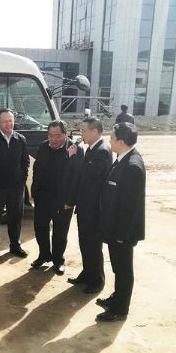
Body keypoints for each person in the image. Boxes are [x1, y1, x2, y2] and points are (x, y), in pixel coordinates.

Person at [97, 122, 146, 322]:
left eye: (112, 138)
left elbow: (130, 208)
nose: (109, 141)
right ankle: (117, 297)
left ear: (122, 141)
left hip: (122, 232)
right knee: (118, 267)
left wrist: (121, 235)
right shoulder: (122, 158)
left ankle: (120, 309)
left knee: (124, 270)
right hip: (115, 228)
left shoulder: (132, 166)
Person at [66, 117, 113, 293]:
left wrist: (73, 157)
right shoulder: (92, 149)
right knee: (85, 243)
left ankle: (97, 280)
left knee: (93, 245)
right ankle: (87, 274)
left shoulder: (102, 151)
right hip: (85, 206)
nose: (81, 134)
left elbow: (89, 174)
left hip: (94, 209)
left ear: (94, 131)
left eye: (84, 131)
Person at [30, 120, 83, 275]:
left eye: (57, 136)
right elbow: (37, 170)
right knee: (40, 228)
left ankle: (58, 260)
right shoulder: (43, 146)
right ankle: (44, 255)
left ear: (65, 134)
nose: (53, 139)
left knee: (60, 231)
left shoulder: (75, 149)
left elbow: (77, 177)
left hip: (63, 200)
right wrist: (34, 192)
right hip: (43, 197)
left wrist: (71, 201)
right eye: (50, 135)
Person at [0, 108, 30, 260]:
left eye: (11, 120)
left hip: (16, 188)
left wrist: (22, 181)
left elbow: (25, 162)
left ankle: (15, 246)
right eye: (5, 121)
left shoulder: (20, 139)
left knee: (15, 218)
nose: (8, 124)